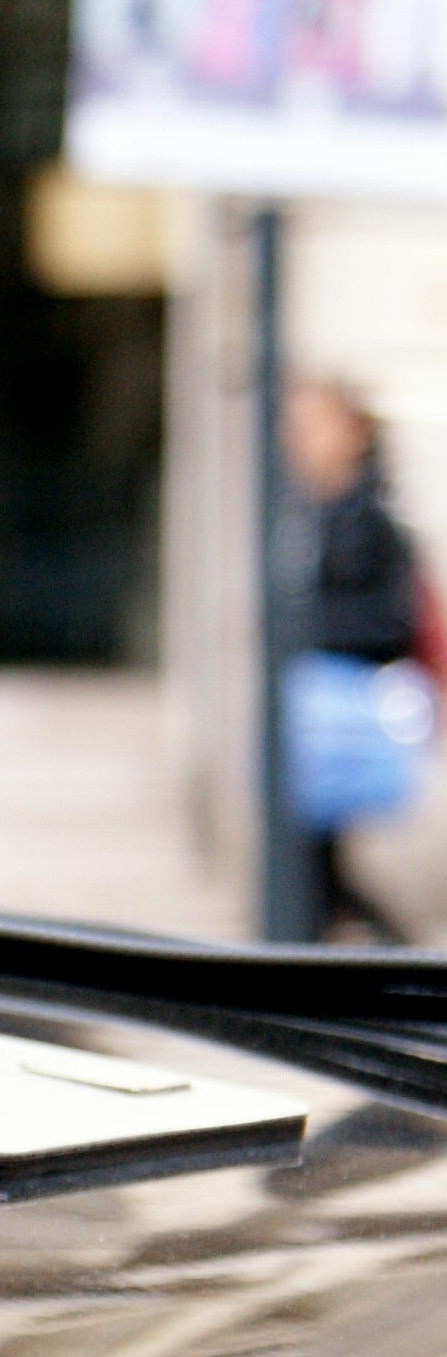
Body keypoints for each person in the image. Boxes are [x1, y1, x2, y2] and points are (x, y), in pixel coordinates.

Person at [281, 380, 425, 938]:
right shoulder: (303, 509)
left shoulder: (374, 514)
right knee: (313, 856)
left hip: (346, 703)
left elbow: (394, 617)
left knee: (316, 853)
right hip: (312, 702)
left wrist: (305, 629)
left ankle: (388, 952)